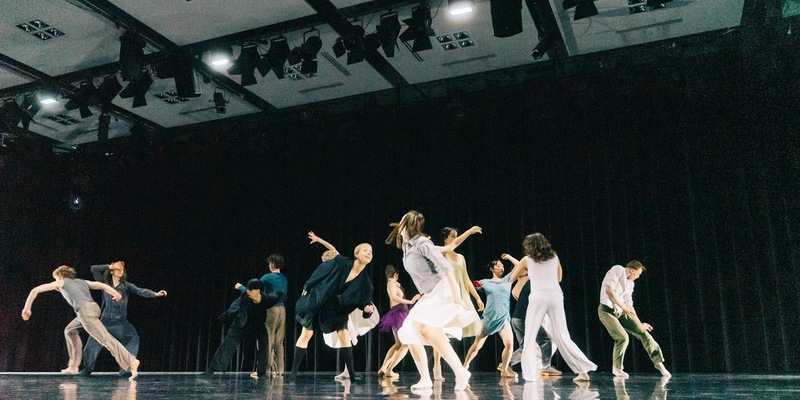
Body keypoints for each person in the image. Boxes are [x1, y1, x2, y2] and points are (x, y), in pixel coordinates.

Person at [385, 210, 480, 391]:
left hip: (441, 289)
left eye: (403, 221)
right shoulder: (407, 247)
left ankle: (460, 372)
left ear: (408, 224)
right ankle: (426, 379)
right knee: (408, 332)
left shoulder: (422, 243)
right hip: (429, 294)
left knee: (428, 329)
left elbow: (447, 269)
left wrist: (457, 297)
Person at [21, 265, 140, 380]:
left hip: (85, 312)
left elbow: (35, 290)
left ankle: (131, 361)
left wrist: (27, 308)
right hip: (93, 309)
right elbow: (101, 285)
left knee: (104, 338)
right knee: (70, 330)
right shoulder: (82, 282)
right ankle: (73, 366)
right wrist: (114, 292)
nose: (56, 282)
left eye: (56, 279)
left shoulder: (61, 281)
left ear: (60, 276)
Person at [287, 234, 375, 382]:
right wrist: (308, 285)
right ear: (356, 253)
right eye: (365, 250)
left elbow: (364, 300)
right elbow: (323, 269)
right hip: (320, 301)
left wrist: (367, 308)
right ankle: (293, 373)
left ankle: (352, 374)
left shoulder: (365, 282)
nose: (368, 253)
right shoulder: (340, 262)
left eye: (370, 252)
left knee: (343, 335)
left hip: (337, 309)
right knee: (306, 334)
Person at [514, 233, 596, 382]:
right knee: (562, 336)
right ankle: (583, 371)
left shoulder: (526, 260)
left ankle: (531, 375)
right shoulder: (554, 257)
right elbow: (559, 278)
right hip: (556, 296)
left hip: (538, 296)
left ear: (529, 246)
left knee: (530, 336)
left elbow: (511, 277)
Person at [80, 261, 167, 376]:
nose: (121, 271)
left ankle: (125, 370)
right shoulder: (104, 283)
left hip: (120, 322)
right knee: (91, 345)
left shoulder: (126, 285)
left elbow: (139, 290)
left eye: (122, 269)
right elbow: (94, 269)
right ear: (111, 271)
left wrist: (154, 294)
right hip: (104, 322)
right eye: (118, 269)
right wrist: (111, 266)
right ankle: (86, 370)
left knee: (133, 338)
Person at [598, 260, 671, 378]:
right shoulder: (617, 270)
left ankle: (658, 363)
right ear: (632, 270)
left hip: (622, 312)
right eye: (638, 274)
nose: (638, 277)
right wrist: (623, 307)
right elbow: (609, 291)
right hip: (607, 311)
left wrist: (638, 322)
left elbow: (629, 304)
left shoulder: (630, 284)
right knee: (623, 337)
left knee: (644, 333)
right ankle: (617, 368)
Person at [432, 226, 484, 381]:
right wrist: (468, 232)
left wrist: (477, 297)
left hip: (461, 293)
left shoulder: (460, 257)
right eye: (453, 236)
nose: (455, 238)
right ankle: (437, 364)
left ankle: (459, 367)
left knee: (464, 327)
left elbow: (466, 278)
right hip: (447, 294)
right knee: (440, 331)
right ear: (445, 238)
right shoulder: (441, 252)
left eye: (457, 235)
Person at [503, 253, 561, 376]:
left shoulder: (517, 287)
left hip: (516, 318)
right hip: (525, 319)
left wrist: (509, 257)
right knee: (545, 340)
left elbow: (520, 265)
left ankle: (506, 364)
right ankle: (546, 366)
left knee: (525, 346)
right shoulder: (534, 283)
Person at [462, 259, 522, 377]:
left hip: (503, 319)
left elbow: (521, 265)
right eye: (498, 266)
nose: (501, 268)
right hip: (489, 318)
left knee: (509, 344)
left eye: (502, 266)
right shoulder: (486, 282)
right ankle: (465, 366)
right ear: (492, 269)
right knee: (477, 345)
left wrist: (509, 257)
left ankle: (504, 370)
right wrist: (476, 286)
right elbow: (471, 287)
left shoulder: (508, 280)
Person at [204, 279, 276, 377]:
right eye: (247, 289)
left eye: (251, 290)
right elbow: (234, 308)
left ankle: (261, 372)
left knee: (264, 345)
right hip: (242, 324)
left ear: (258, 291)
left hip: (257, 326)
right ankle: (211, 370)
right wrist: (223, 318)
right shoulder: (244, 297)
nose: (248, 291)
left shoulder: (267, 299)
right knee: (228, 343)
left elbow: (277, 296)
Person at [234, 254, 288, 377]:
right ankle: (280, 370)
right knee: (279, 341)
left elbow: (253, 291)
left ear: (273, 264)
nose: (269, 265)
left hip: (271, 310)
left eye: (270, 263)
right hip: (282, 310)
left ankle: (265, 370)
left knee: (267, 340)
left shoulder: (267, 277)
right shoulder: (284, 278)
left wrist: (240, 287)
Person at [377, 264, 421, 378]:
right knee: (406, 343)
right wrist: (411, 301)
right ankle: (389, 369)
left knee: (398, 344)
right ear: (396, 275)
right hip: (399, 313)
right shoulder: (391, 283)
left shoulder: (392, 283)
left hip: (400, 313)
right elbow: (394, 297)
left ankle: (384, 367)